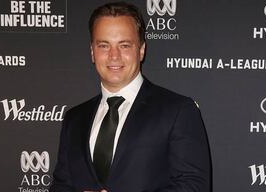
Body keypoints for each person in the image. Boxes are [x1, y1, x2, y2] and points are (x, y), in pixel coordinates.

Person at [50, 2, 211, 192]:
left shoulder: (178, 111)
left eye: (124, 45)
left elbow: (194, 186)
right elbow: (61, 186)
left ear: (141, 49)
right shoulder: (74, 119)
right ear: (92, 51)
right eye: (104, 45)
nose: (114, 56)